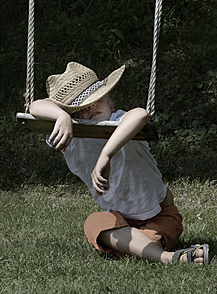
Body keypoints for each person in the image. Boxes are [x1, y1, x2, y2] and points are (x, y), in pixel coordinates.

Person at [30, 61, 209, 265]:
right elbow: (34, 105)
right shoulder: (69, 138)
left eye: (96, 100)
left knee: (138, 245)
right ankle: (166, 257)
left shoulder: (121, 123)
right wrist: (61, 116)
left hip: (159, 215)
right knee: (94, 224)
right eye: (79, 108)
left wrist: (105, 156)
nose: (90, 107)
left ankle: (152, 252)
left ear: (110, 103)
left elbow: (141, 114)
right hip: (118, 220)